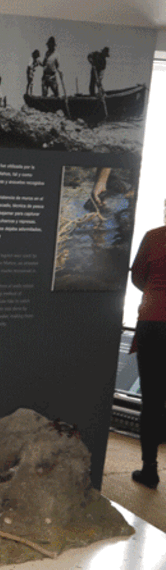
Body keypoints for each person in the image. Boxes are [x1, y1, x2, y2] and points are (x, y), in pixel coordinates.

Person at [130, 201, 166, 490]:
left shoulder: (154, 236)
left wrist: (156, 292)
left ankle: (150, 469)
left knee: (152, 400)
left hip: (153, 322)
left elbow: (137, 276)